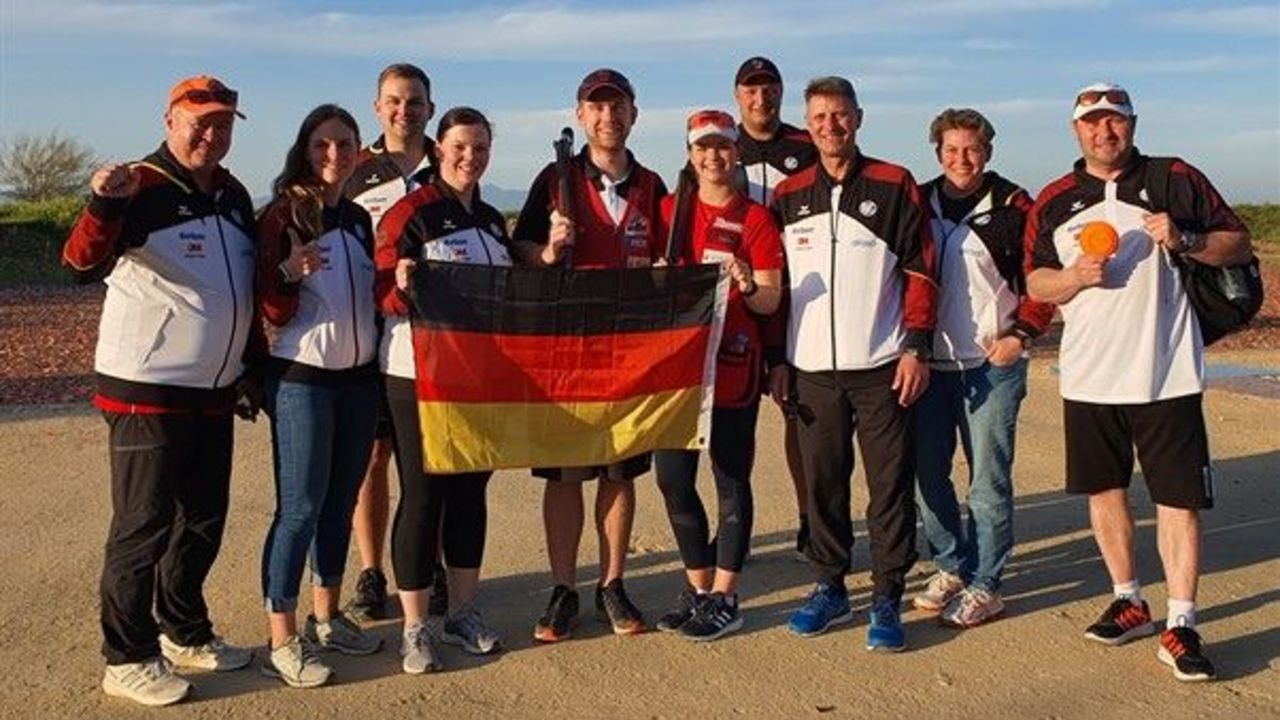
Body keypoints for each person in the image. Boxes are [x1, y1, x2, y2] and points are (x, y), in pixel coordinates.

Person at [1025, 82, 1252, 682]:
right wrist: (1071, 278)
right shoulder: (1054, 200)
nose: (1105, 132)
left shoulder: (1175, 177)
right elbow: (1035, 284)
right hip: (1089, 377)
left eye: (1115, 121)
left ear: (1132, 123)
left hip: (1165, 373)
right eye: (1093, 123)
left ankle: (1181, 624)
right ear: (1076, 130)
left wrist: (1187, 239)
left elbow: (1237, 243)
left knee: (1177, 501)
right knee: (1105, 493)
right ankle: (1130, 600)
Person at [61, 75, 256, 706]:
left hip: (214, 388)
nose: (211, 133)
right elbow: (80, 267)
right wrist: (102, 205)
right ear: (169, 119)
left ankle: (184, 631)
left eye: (223, 122)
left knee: (201, 520)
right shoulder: (138, 186)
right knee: (142, 525)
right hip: (147, 387)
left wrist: (247, 369)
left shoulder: (232, 193)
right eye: (199, 120)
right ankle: (126, 655)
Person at [768, 76, 936, 652]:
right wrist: (777, 359)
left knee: (889, 484)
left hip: (883, 365)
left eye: (840, 115)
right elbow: (778, 284)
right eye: (819, 117)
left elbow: (920, 270)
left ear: (858, 118)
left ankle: (887, 592)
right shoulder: (788, 192)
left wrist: (916, 345)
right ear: (807, 122)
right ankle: (829, 584)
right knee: (822, 484)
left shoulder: (894, 183)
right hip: (811, 368)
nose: (830, 126)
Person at [511, 68, 667, 642]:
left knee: (619, 473)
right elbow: (519, 248)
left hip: (631, 353)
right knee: (565, 476)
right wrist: (549, 250)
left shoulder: (653, 185)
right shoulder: (555, 179)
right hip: (567, 351)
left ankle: (612, 583)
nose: (608, 117)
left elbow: (671, 256)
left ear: (633, 113)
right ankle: (561, 589)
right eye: (597, 108)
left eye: (618, 106)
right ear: (581, 115)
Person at [375, 107, 511, 674]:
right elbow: (381, 284)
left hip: (478, 379)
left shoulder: (491, 220)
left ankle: (462, 612)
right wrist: (400, 286)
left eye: (480, 147)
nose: (469, 156)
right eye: (460, 146)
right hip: (416, 375)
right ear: (439, 149)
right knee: (424, 495)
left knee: (469, 494)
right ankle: (415, 626)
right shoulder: (412, 213)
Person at [911, 108, 1054, 628]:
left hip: (991, 365)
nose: (961, 159)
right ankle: (950, 565)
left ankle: (986, 582)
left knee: (987, 482)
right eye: (951, 150)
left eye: (971, 149)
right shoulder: (918, 200)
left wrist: (1022, 333)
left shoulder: (1016, 205)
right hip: (931, 365)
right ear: (938, 153)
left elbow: (1041, 280)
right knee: (928, 475)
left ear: (988, 151)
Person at [256, 104, 382, 688]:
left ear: (359, 150)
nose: (334, 155)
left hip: (358, 381)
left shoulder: (357, 218)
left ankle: (327, 617)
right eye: (322, 145)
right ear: (304, 150)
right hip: (302, 379)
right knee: (300, 506)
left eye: (345, 144)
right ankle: (282, 636)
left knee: (339, 501)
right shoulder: (284, 214)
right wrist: (286, 272)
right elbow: (264, 300)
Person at [650, 110, 783, 642]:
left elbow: (772, 299)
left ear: (736, 154)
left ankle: (727, 596)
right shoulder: (667, 212)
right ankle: (699, 587)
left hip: (732, 367)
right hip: (677, 372)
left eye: (723, 148)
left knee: (730, 479)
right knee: (673, 480)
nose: (713, 157)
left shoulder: (755, 219)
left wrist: (749, 284)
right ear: (689, 154)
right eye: (703, 148)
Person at [344, 62, 439, 621]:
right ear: (377, 107)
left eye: (416, 101)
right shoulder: (354, 170)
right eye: (395, 101)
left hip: (433, 346)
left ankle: (430, 566)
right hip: (367, 338)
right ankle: (371, 570)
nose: (405, 110)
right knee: (372, 459)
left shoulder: (445, 167)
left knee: (432, 463)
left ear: (430, 107)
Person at [732, 55, 819, 560]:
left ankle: (811, 520)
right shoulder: (722, 148)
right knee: (735, 419)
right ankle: (736, 521)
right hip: (740, 302)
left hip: (799, 297)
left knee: (800, 417)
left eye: (769, 89)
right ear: (737, 95)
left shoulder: (805, 146)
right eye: (751, 89)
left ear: (780, 93)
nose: (760, 98)